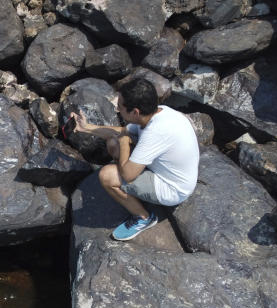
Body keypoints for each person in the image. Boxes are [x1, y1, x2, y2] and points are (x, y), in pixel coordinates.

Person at [69, 78, 200, 241]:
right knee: (113, 142)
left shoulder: (156, 132)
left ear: (135, 112)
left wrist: (124, 142)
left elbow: (128, 175)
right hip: (169, 169)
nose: (117, 108)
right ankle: (134, 185)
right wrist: (86, 127)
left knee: (107, 176)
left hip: (172, 188)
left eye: (120, 106)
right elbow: (121, 131)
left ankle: (143, 217)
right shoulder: (160, 112)